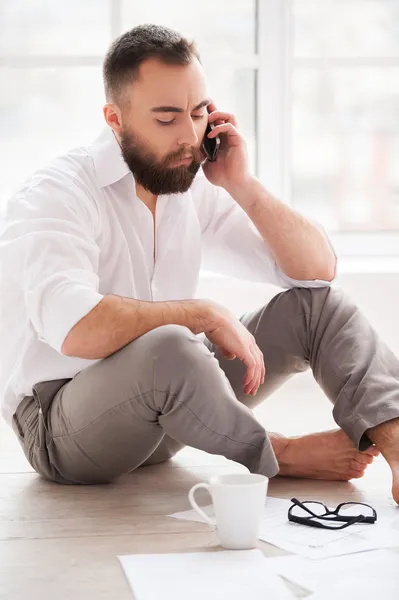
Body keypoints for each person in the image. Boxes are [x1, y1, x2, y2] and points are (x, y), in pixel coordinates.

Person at [1, 24, 398, 503]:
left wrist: (241, 184)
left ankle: (397, 449)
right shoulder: (57, 193)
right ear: (115, 119)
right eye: (167, 119)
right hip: (61, 426)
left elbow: (316, 269)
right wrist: (202, 314)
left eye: (197, 113)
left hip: (170, 408)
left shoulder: (188, 180)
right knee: (171, 341)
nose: (190, 137)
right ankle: (280, 454)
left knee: (318, 307)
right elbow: (75, 328)